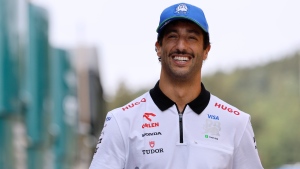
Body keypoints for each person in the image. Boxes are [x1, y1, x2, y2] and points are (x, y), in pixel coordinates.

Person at [89, 2, 264, 169]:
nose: (181, 46)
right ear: (158, 47)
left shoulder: (236, 123)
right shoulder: (121, 122)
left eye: (192, 37)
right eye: (173, 36)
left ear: (206, 50)